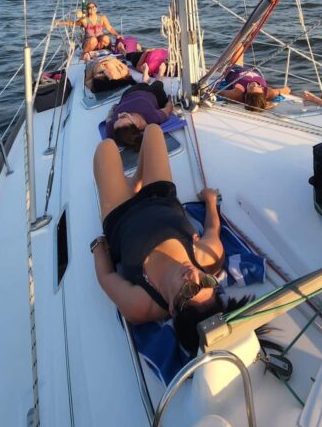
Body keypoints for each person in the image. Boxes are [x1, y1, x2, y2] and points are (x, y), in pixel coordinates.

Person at [91, 123, 250, 355]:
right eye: (205, 283)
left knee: (106, 147)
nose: (193, 275)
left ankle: (130, 185)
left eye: (188, 290)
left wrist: (98, 246)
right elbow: (212, 229)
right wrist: (210, 201)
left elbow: (106, 277)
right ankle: (135, 180)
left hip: (120, 214)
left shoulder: (140, 305)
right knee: (154, 131)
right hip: (160, 197)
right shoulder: (208, 259)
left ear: (173, 310)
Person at [218, 45, 290, 111]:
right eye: (259, 86)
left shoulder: (238, 92)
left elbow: (221, 93)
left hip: (236, 70)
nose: (255, 83)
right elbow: (286, 90)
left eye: (252, 87)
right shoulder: (268, 92)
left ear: (246, 94)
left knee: (239, 47)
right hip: (254, 72)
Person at [105, 81, 174, 149]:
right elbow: (168, 108)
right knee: (158, 83)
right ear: (136, 124)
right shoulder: (152, 117)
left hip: (128, 94)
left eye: (118, 119)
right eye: (123, 117)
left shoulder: (114, 129)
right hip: (152, 93)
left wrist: (113, 109)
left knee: (143, 84)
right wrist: (170, 99)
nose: (118, 115)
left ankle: (145, 80)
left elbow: (108, 119)